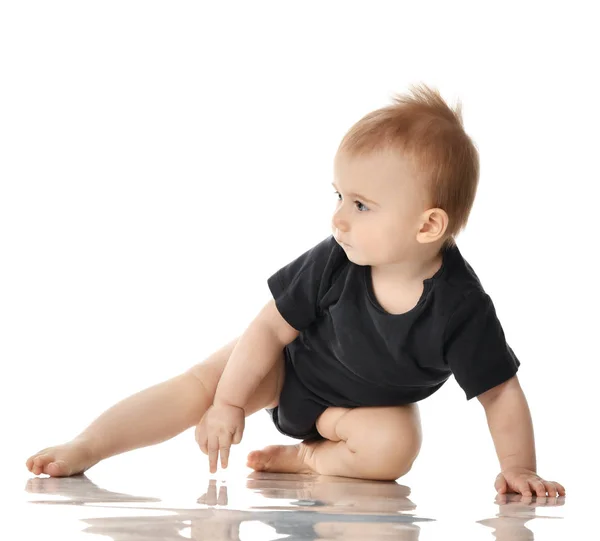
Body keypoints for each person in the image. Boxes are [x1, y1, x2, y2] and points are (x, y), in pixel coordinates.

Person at [26, 84, 565, 497]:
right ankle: (88, 445)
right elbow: (267, 327)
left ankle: (307, 459)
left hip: (360, 413)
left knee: (396, 447)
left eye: (361, 205)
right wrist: (230, 402)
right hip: (286, 365)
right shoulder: (337, 261)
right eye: (338, 196)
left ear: (427, 226)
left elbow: (499, 392)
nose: (339, 219)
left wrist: (517, 468)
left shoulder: (460, 309)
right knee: (200, 388)